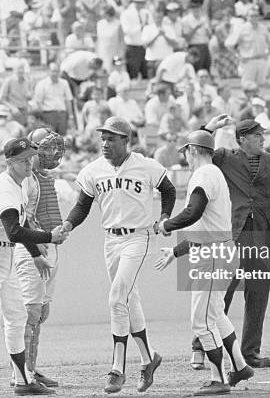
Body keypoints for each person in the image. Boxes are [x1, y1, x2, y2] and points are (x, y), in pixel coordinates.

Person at [60, 117, 176, 393]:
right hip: (111, 240)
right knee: (128, 299)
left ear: (127, 140)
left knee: (116, 297)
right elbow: (82, 206)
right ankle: (149, 359)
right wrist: (68, 224)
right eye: (103, 137)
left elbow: (168, 189)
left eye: (112, 138)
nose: (105, 143)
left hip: (139, 237)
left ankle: (117, 369)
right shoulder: (93, 170)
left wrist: (165, 216)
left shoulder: (147, 165)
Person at [201, 115, 270, 369]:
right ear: (242, 139)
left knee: (258, 295)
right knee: (221, 294)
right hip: (234, 235)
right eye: (256, 135)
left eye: (262, 134)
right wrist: (209, 128)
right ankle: (207, 344)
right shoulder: (223, 158)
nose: (262, 138)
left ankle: (251, 352)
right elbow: (198, 149)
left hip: (263, 237)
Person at [0, 137, 68, 397]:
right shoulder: (5, 187)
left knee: (16, 317)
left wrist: (35, 255)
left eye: (29, 157)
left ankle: (22, 381)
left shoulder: (21, 184)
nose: (28, 162)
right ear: (9, 162)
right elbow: (13, 231)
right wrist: (49, 238)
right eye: (22, 159)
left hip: (5, 256)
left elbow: (21, 230)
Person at [154, 130, 254, 395]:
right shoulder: (213, 174)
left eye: (186, 151)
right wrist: (175, 252)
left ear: (194, 150)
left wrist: (166, 224)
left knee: (201, 322)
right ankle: (240, 366)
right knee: (216, 315)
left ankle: (218, 379)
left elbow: (193, 212)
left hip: (213, 256)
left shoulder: (204, 174)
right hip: (218, 250)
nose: (185, 156)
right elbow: (203, 224)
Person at [9, 128, 66, 389]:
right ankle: (21, 375)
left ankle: (30, 369)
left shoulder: (45, 178)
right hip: (33, 250)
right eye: (46, 147)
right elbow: (23, 219)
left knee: (41, 311)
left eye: (55, 148)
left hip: (50, 247)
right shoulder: (26, 180)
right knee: (30, 312)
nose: (53, 153)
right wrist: (35, 252)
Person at [31, 62, 74, 136]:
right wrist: (42, 119)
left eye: (57, 71)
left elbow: (68, 101)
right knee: (50, 139)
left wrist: (70, 117)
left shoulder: (64, 83)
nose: (55, 73)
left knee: (62, 138)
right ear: (48, 72)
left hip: (62, 115)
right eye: (53, 71)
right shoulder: (42, 84)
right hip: (48, 115)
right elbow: (38, 102)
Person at [120, 0, 153, 80]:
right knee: (133, 74)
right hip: (133, 47)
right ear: (133, 2)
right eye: (138, 2)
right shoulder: (126, 14)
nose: (140, 5)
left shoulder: (146, 13)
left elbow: (151, 27)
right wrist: (140, 27)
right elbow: (126, 31)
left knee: (147, 74)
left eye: (142, 2)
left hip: (145, 47)